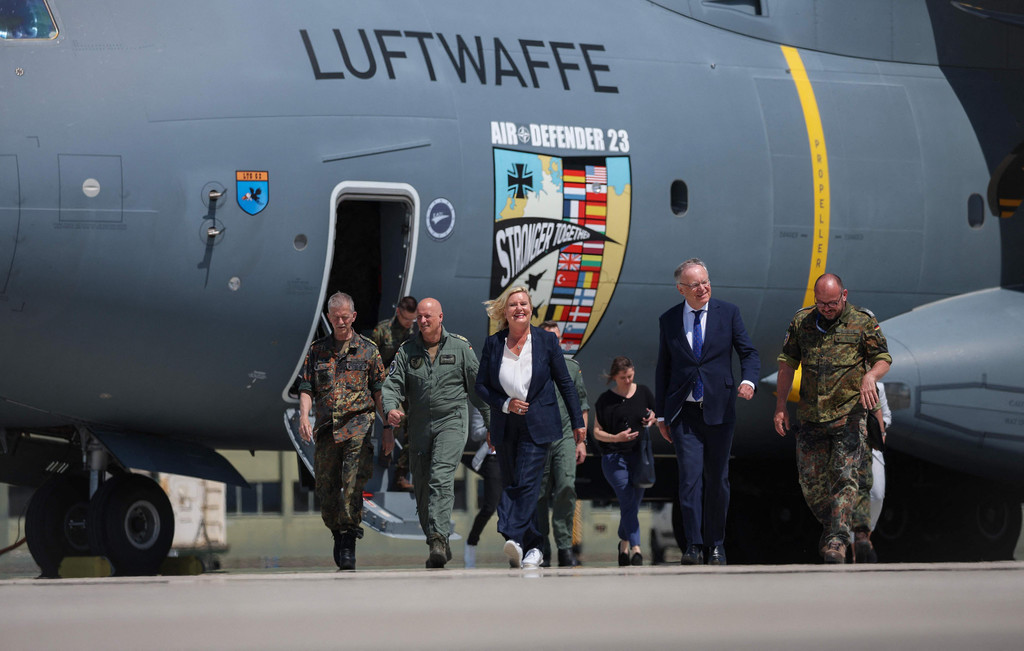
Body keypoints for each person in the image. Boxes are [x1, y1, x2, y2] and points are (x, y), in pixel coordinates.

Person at [773, 273, 891, 564]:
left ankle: (837, 541)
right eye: (821, 303)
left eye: (832, 303)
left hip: (848, 416)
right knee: (810, 482)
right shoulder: (801, 322)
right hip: (811, 416)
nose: (826, 308)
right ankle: (834, 528)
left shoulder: (862, 321)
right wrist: (780, 406)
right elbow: (787, 364)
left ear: (844, 295)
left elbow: (883, 358)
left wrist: (870, 377)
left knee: (844, 478)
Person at [655, 258, 760, 566]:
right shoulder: (669, 320)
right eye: (695, 284)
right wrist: (661, 415)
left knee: (718, 480)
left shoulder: (728, 313)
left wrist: (749, 381)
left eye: (705, 282)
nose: (702, 288)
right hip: (684, 413)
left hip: (719, 409)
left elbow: (748, 353)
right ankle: (693, 545)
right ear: (681, 289)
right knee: (689, 479)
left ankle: (716, 545)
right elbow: (664, 368)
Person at [474, 286, 585, 570]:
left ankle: (511, 531)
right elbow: (481, 386)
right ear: (505, 311)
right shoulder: (493, 343)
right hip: (506, 424)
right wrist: (505, 404)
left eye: (523, 303)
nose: (519, 308)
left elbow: (565, 383)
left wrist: (577, 422)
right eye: (513, 305)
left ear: (531, 309)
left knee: (526, 481)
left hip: (539, 424)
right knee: (514, 482)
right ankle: (532, 547)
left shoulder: (546, 341)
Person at [381, 298, 490, 569]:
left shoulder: (460, 348)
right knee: (422, 488)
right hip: (419, 427)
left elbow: (479, 390)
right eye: (419, 317)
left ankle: (438, 541)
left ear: (441, 317)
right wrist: (391, 408)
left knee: (440, 477)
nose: (423, 321)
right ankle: (437, 539)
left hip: (451, 423)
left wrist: (492, 425)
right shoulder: (407, 351)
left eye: (428, 316)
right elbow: (392, 384)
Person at [297, 292, 388, 571]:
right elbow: (306, 387)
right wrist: (303, 416)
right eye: (335, 317)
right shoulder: (317, 350)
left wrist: (388, 427)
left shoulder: (368, 350)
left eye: (345, 317)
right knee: (326, 491)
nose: (340, 321)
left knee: (351, 486)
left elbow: (379, 391)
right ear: (329, 317)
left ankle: (349, 539)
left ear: (353, 316)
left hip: (358, 426)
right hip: (327, 429)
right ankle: (337, 532)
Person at [593, 356, 657, 566]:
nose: (628, 381)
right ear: (614, 377)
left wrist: (652, 418)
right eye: (623, 378)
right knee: (628, 500)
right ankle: (636, 548)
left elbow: (656, 416)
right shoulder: (605, 400)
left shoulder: (644, 392)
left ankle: (623, 544)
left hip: (639, 458)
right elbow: (597, 432)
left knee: (632, 505)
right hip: (614, 458)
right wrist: (616, 438)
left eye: (630, 376)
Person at [536, 320, 590, 567]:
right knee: (538, 496)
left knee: (567, 487)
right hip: (538, 439)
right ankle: (542, 548)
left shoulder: (571, 367)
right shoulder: (529, 367)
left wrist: (581, 441)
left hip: (566, 437)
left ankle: (565, 547)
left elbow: (582, 406)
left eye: (555, 338)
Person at [368, 296, 417, 492]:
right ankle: (385, 452)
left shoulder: (415, 333)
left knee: (416, 422)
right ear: (398, 312)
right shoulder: (382, 331)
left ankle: (401, 473)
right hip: (386, 384)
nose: (409, 324)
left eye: (412, 320)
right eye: (406, 319)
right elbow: (369, 360)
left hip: (407, 384)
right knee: (398, 417)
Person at [852, 381, 891, 562]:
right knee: (847, 496)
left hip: (872, 448)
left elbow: (886, 415)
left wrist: (878, 428)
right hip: (846, 448)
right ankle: (854, 546)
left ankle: (866, 535)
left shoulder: (878, 387)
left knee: (877, 494)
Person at [462, 404, 500, 568]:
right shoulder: (484, 402)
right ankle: (471, 543)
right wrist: (497, 428)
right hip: (493, 457)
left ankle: (519, 546)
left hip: (514, 455)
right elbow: (476, 433)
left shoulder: (518, 398)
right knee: (490, 506)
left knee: (514, 504)